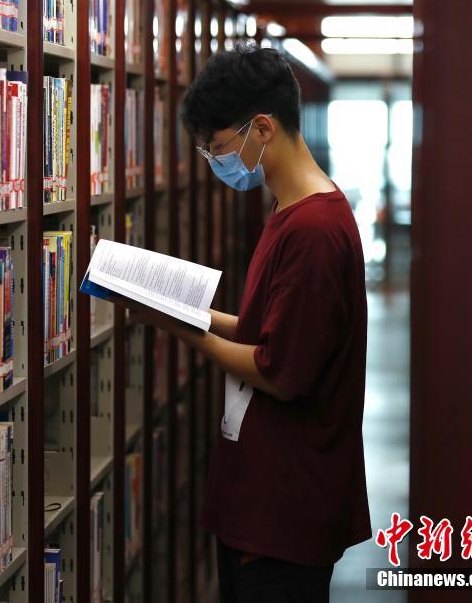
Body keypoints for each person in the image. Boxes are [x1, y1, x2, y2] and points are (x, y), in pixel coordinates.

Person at [122, 45, 371, 601]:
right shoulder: (290, 210)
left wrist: (185, 331)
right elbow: (270, 327)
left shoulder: (313, 230)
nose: (214, 161)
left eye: (217, 147)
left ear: (261, 128)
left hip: (285, 508)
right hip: (261, 494)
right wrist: (186, 310)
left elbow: (278, 371)